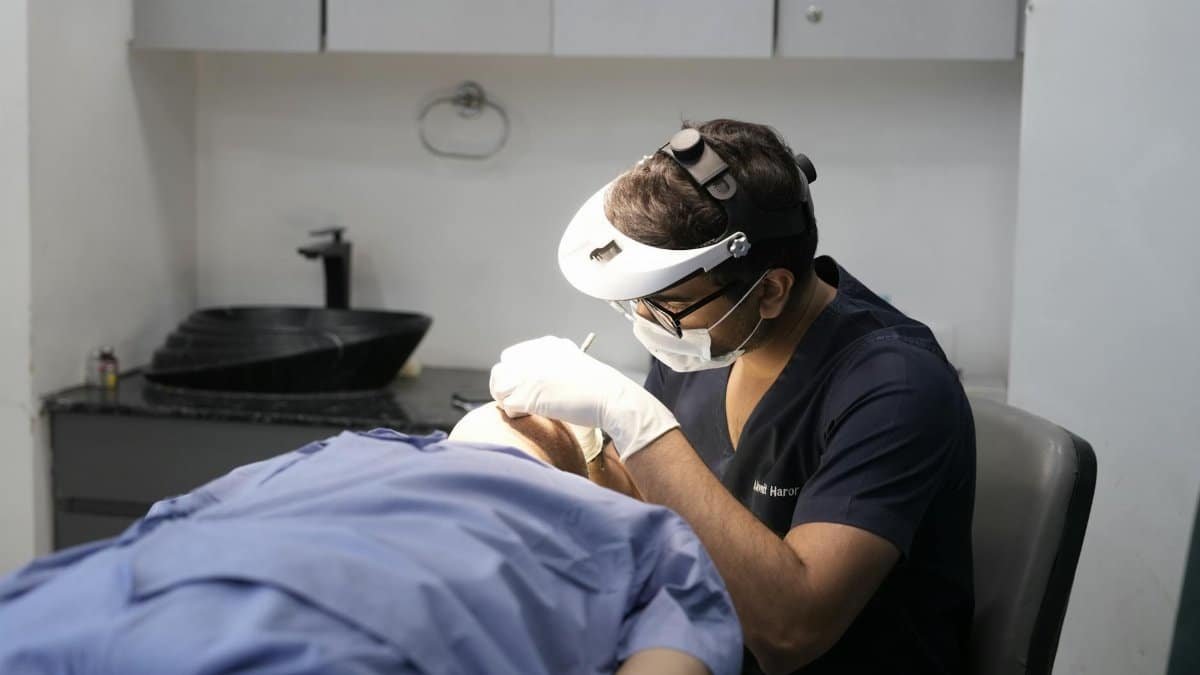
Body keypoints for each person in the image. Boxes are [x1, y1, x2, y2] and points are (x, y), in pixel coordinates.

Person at [491, 119, 977, 674]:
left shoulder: (895, 386)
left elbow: (792, 631)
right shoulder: (711, 338)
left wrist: (633, 419)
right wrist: (559, 444)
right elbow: (663, 501)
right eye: (634, 302)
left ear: (769, 289)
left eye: (663, 304)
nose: (646, 322)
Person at [0, 406, 741, 675]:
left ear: (603, 460)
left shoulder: (639, 529)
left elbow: (166, 519)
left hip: (98, 611)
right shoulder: (354, 446)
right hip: (111, 603)